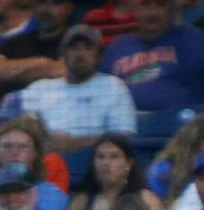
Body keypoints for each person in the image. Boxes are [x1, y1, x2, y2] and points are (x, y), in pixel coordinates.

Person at [15, 25, 135, 155]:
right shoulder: (39, 88)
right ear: (63, 53)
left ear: (99, 55)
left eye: (87, 48)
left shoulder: (113, 86)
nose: (80, 53)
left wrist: (75, 143)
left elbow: (123, 137)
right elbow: (19, 132)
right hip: (43, 160)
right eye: (74, 47)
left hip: (91, 162)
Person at [68, 135, 166, 210]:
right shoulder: (81, 202)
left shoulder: (147, 200)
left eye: (114, 157)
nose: (106, 163)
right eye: (100, 157)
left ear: (128, 163)